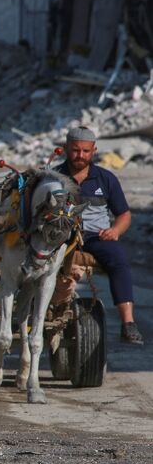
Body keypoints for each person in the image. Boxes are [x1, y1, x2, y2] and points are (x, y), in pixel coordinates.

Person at [54, 127, 143, 345]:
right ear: (66, 149)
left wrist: (115, 231)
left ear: (94, 150)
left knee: (119, 260)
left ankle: (128, 324)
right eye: (75, 150)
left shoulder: (106, 178)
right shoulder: (53, 177)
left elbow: (123, 214)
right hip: (59, 236)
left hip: (95, 237)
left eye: (85, 151)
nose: (80, 156)